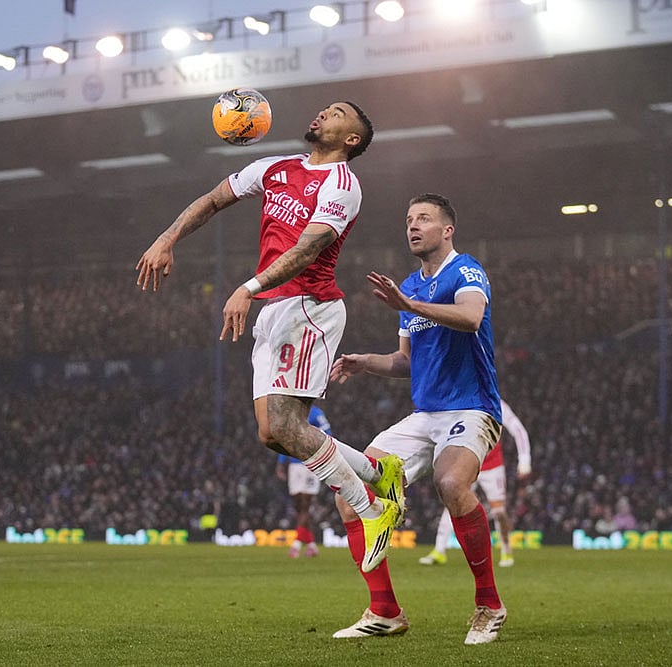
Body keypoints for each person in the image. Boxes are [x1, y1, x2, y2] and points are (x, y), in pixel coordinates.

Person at [136, 99, 403, 572]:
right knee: (272, 435)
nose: (323, 112)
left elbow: (307, 249)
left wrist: (248, 287)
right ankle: (379, 471)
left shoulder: (343, 185)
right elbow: (213, 199)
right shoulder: (274, 167)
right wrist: (167, 238)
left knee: (284, 426)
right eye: (324, 108)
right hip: (275, 309)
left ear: (352, 139)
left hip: (310, 306)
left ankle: (371, 509)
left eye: (337, 113)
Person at [329, 193, 507, 645]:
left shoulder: (466, 271)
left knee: (450, 482)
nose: (413, 226)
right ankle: (385, 611)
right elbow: (407, 361)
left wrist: (409, 306)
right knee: (349, 491)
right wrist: (366, 362)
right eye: (409, 219)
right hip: (425, 415)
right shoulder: (410, 284)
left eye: (423, 218)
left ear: (447, 230)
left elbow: (471, 317)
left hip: (471, 407)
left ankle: (489, 605)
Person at [420, 398, 532, 567]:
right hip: (469, 462)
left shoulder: (497, 404)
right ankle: (439, 550)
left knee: (499, 511)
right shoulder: (463, 400)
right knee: (453, 501)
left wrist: (524, 460)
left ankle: (506, 549)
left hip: (492, 466)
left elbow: (518, 430)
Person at [276, 404, 332, 558]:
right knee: (298, 507)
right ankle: (311, 545)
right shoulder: (292, 412)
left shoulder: (316, 413)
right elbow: (285, 439)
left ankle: (296, 544)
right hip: (294, 464)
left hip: (310, 464)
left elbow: (328, 433)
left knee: (305, 505)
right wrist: (281, 462)